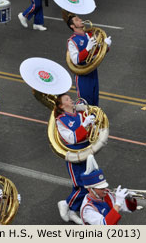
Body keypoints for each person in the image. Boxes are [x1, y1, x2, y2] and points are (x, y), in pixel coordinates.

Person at [54, 93, 96, 224]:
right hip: (74, 156)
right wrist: (84, 126)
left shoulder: (80, 114)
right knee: (82, 186)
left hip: (87, 153)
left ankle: (72, 211)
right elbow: (72, 138)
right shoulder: (61, 120)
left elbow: (91, 133)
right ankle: (65, 203)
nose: (71, 100)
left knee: (87, 183)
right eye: (67, 99)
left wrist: (93, 124)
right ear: (61, 106)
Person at [67, 15, 112, 106]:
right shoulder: (72, 41)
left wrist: (105, 46)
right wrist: (87, 49)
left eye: (79, 18)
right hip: (82, 75)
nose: (80, 20)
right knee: (86, 103)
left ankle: (95, 120)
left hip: (93, 72)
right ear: (72, 26)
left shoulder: (89, 35)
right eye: (77, 20)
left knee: (95, 101)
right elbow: (76, 60)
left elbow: (96, 53)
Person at [80, 155, 137, 225]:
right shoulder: (87, 209)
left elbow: (131, 209)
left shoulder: (107, 195)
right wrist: (118, 204)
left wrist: (130, 199)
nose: (105, 190)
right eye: (101, 188)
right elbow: (105, 225)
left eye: (104, 187)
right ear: (90, 189)